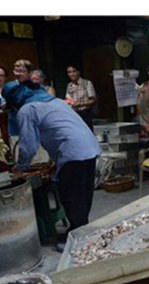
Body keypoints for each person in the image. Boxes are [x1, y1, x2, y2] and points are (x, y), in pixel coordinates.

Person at [13, 96, 100, 246]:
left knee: (71, 196)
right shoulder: (56, 102)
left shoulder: (26, 110)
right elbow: (61, 130)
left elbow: (28, 146)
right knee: (83, 195)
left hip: (72, 152)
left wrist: (21, 168)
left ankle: (77, 239)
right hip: (90, 147)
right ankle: (81, 230)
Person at [65, 64, 97, 130]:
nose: (72, 74)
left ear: (78, 72)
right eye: (69, 72)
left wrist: (80, 104)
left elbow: (93, 100)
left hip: (85, 113)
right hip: (74, 114)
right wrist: (67, 102)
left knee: (87, 132)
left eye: (74, 71)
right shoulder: (69, 85)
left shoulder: (87, 83)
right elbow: (68, 99)